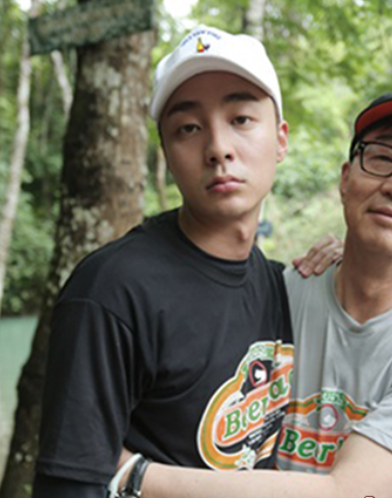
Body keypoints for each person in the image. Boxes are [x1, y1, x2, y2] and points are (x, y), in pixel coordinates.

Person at [119, 89, 392, 498]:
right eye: (382, 157)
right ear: (345, 180)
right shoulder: (277, 294)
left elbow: (352, 494)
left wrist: (132, 474)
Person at [32, 25, 340, 498]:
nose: (218, 148)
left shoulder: (278, 284)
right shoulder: (114, 289)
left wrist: (356, 260)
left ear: (281, 140)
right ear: (167, 156)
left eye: (241, 119)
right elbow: (70, 484)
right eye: (189, 129)